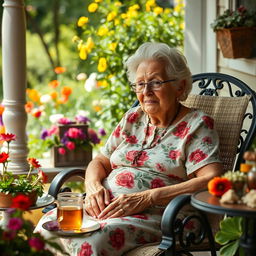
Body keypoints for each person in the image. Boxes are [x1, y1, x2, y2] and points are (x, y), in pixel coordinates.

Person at [35, 42, 223, 255]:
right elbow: (100, 162)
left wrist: (148, 197)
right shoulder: (133, 118)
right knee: (47, 226)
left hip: (161, 215)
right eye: (140, 84)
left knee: (91, 242)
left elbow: (212, 179)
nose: (146, 91)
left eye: (155, 82)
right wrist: (94, 185)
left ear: (179, 87)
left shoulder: (197, 124)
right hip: (104, 207)